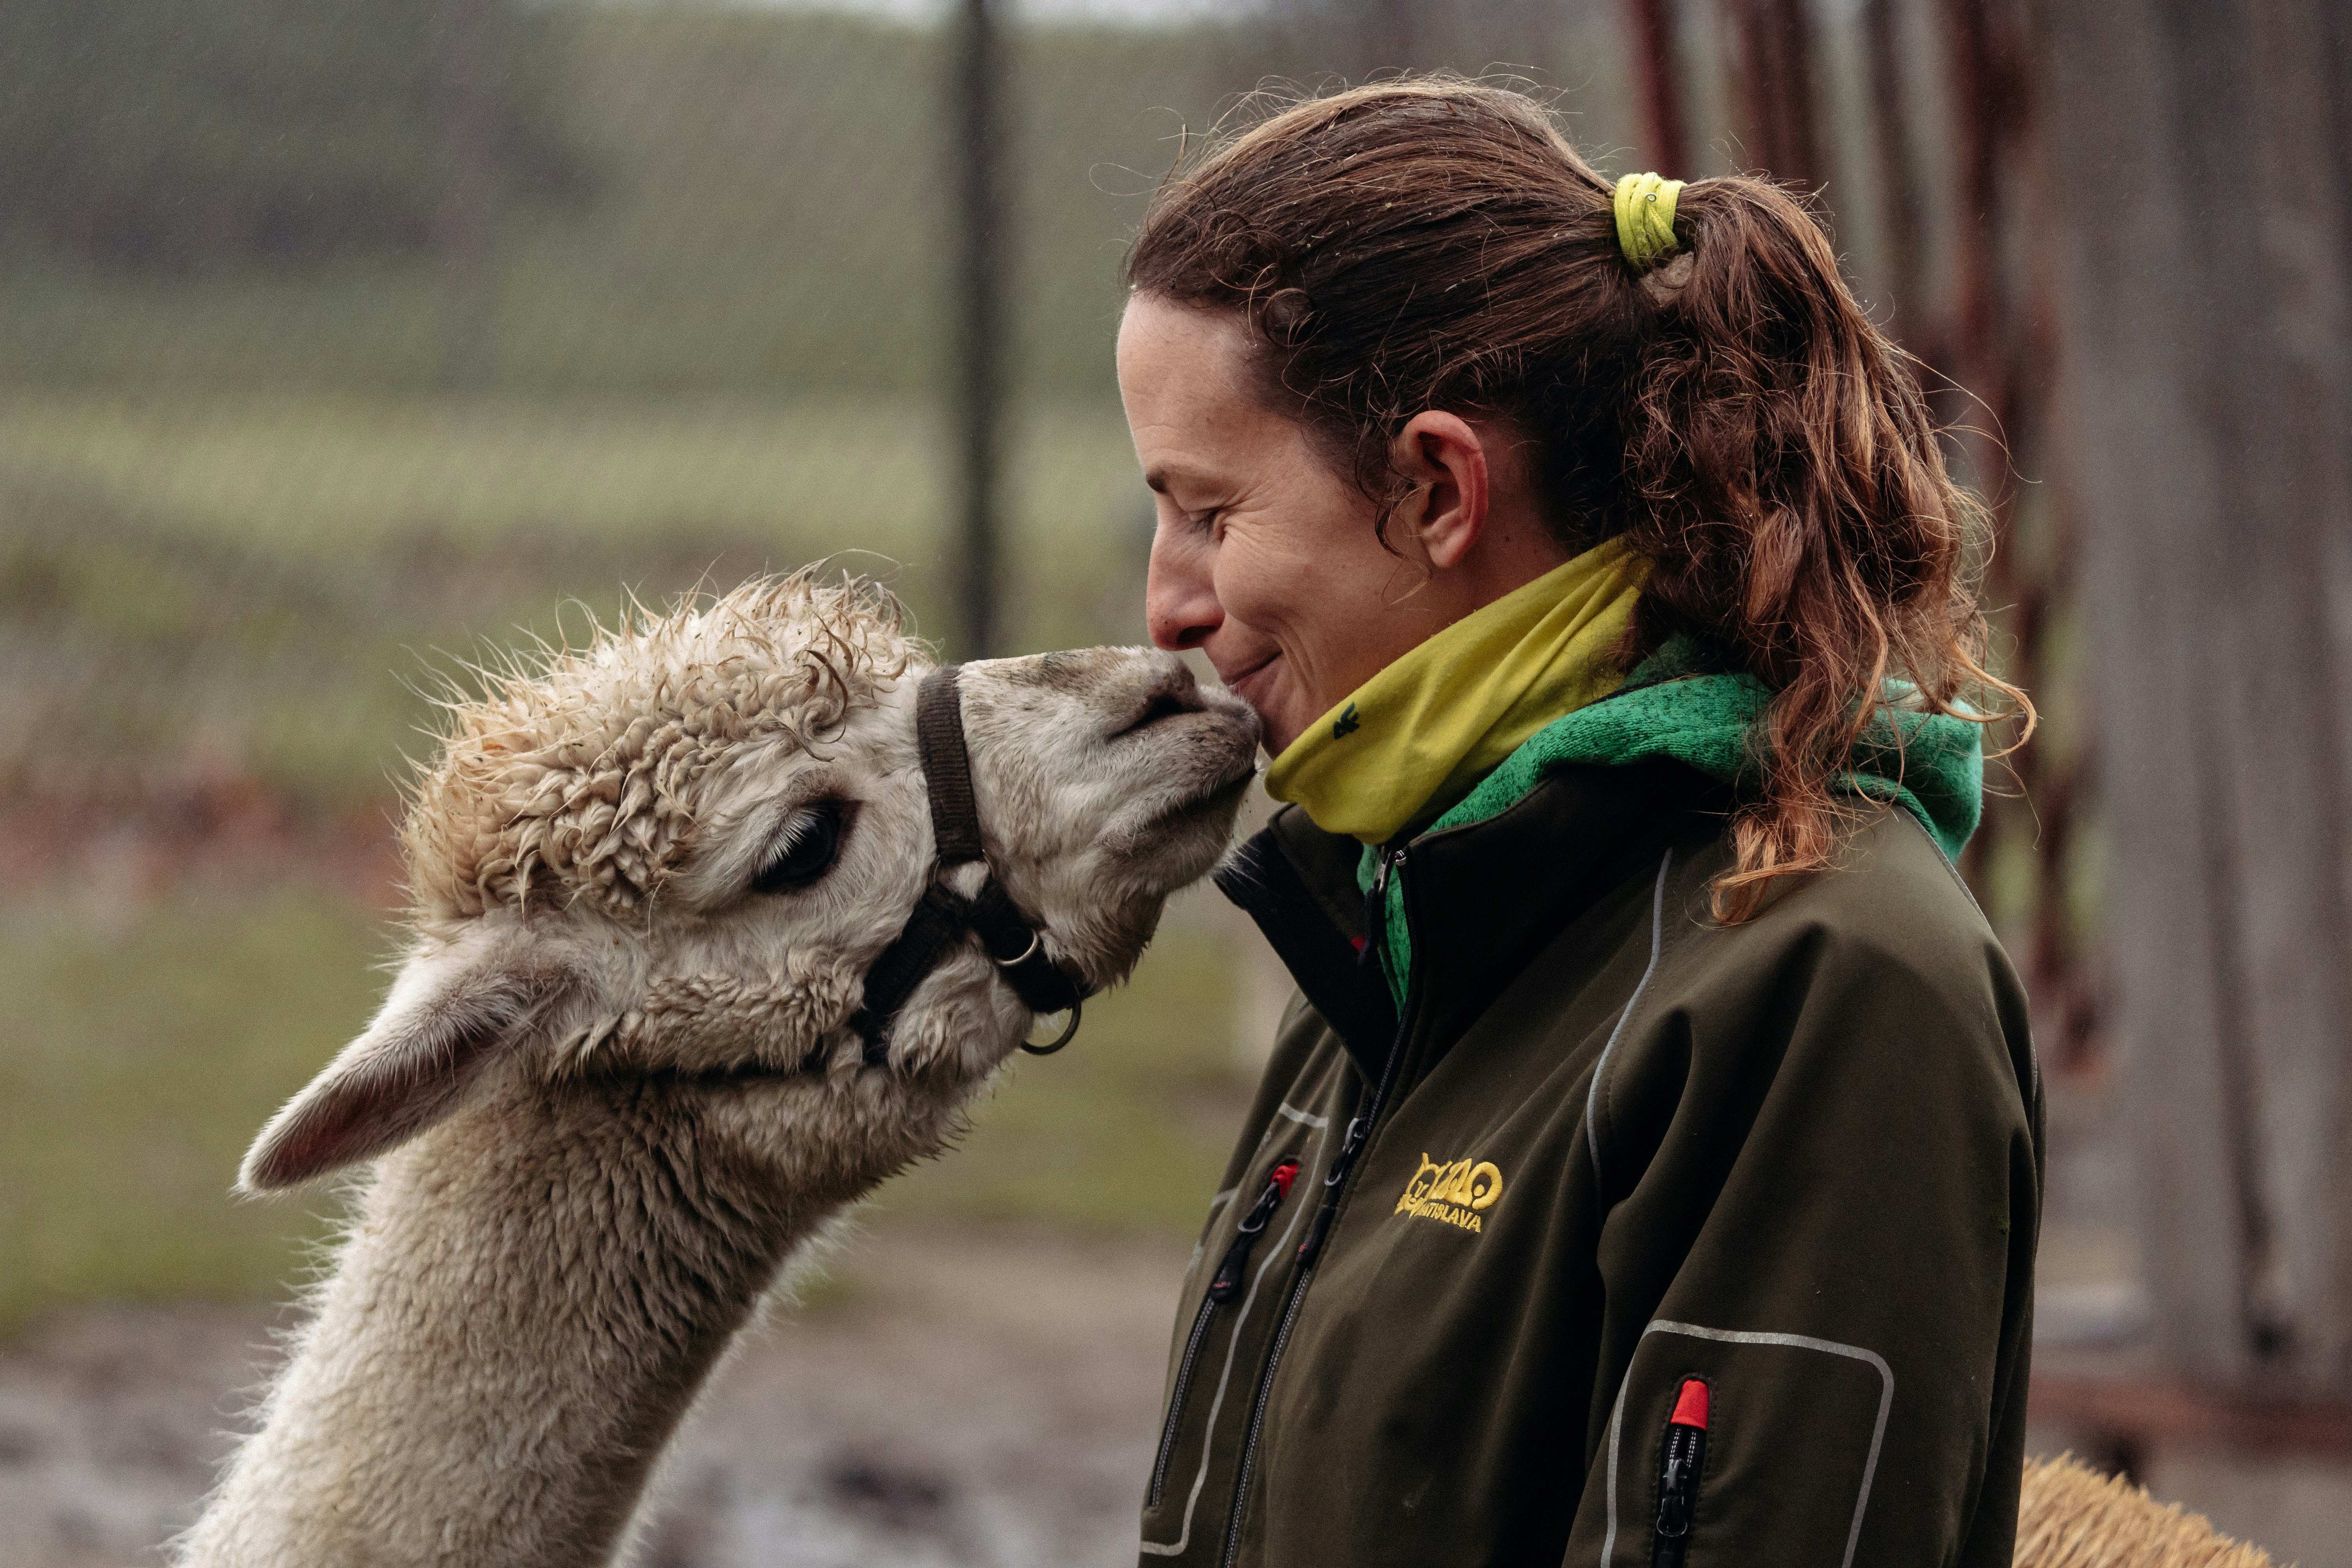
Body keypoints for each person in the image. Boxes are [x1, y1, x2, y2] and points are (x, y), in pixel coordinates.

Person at [1116, 79, 2040, 1568]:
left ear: (1434, 489)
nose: (1167, 603)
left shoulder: (1828, 980)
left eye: (1209, 513)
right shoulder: (1399, 920)